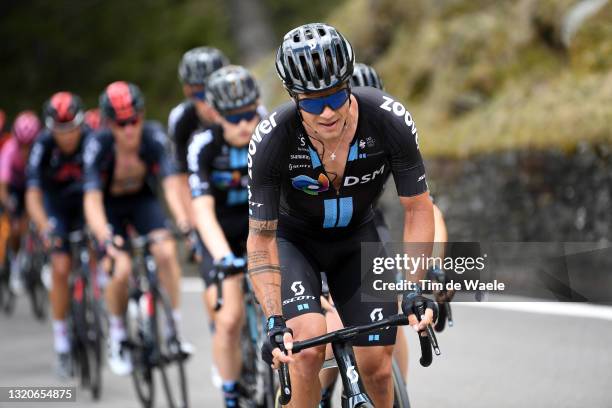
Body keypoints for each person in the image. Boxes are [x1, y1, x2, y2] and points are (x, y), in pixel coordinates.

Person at [247, 23, 437, 407]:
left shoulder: (388, 118)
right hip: (294, 243)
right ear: (294, 97)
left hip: (357, 241)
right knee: (306, 352)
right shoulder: (272, 139)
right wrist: (273, 320)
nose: (329, 111)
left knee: (378, 367)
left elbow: (418, 207)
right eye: (314, 103)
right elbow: (262, 238)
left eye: (336, 95)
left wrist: (416, 287)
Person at [83, 81, 191, 376]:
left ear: (141, 116)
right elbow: (91, 200)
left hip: (142, 201)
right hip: (109, 207)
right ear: (109, 123)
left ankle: (173, 329)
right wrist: (104, 235)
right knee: (119, 269)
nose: (129, 129)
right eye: (121, 124)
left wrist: (182, 221)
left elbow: (170, 186)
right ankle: (117, 334)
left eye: (134, 120)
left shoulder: (153, 137)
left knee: (166, 252)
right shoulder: (98, 145)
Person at [187, 65, 262, 407]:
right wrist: (222, 257)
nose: (245, 125)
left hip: (260, 228)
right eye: (234, 118)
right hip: (220, 234)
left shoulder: (271, 132)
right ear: (216, 114)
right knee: (229, 318)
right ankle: (230, 393)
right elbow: (201, 209)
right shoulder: (202, 145)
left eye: (250, 114)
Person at [25, 93, 89, 378]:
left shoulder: (92, 140)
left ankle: (98, 291)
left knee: (103, 247)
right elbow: (33, 194)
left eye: (71, 128)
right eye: (59, 130)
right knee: (61, 268)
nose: (65, 136)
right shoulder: (42, 146)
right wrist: (44, 227)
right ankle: (62, 343)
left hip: (87, 204)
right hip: (57, 210)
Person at [0, 111, 41, 293]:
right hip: (14, 188)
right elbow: (2, 185)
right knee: (15, 228)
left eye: (29, 145)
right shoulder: (9, 149)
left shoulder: (41, 148)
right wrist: (8, 204)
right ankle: (15, 263)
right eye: (22, 145)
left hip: (34, 187)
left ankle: (37, 257)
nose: (25, 150)